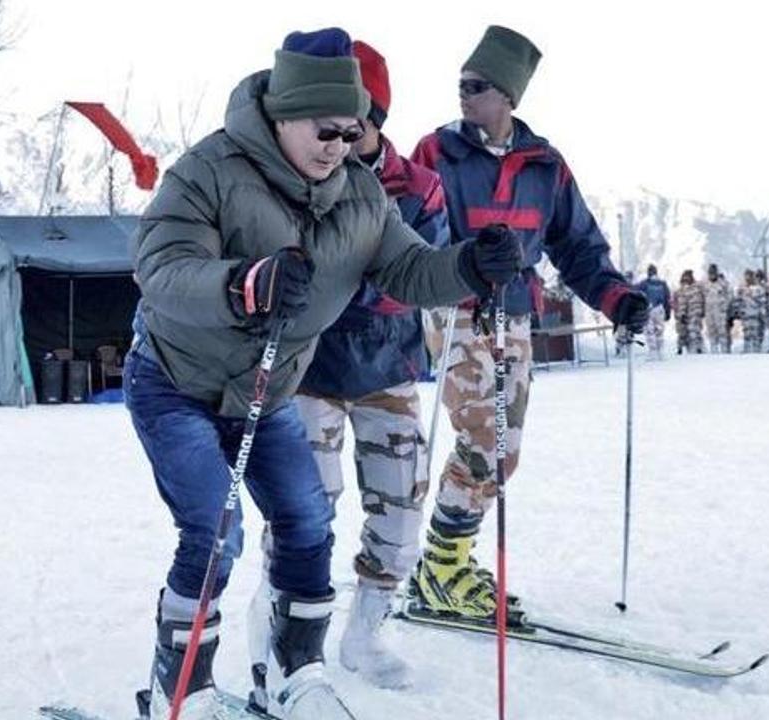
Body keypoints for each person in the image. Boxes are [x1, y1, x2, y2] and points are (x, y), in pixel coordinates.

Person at [125, 28, 520, 720]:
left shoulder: (361, 196)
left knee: (307, 523)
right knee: (216, 530)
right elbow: (162, 270)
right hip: (176, 382)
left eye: (352, 131)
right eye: (325, 129)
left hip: (266, 393)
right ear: (283, 113)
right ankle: (178, 689)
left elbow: (408, 267)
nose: (340, 144)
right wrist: (246, 285)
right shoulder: (208, 171)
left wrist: (468, 266)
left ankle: (293, 671)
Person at [409, 25, 648, 620]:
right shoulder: (436, 154)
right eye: (460, 84)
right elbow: (410, 228)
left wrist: (617, 298)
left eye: (477, 85)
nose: (463, 95)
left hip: (516, 315)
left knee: (504, 451)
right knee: (483, 439)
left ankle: (447, 561)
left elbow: (578, 248)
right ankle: (440, 571)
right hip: (458, 309)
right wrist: (457, 264)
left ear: (509, 96)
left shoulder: (545, 165)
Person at [245, 38, 446, 691]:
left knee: (400, 503)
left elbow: (422, 270)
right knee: (309, 504)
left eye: (352, 124)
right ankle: (279, 620)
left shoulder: (419, 189)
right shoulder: (292, 176)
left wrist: (351, 286)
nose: (336, 137)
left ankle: (366, 631)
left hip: (387, 368)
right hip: (309, 369)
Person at [635, 264, 671, 359]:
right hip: (659, 309)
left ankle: (653, 352)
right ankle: (660, 351)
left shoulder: (644, 283)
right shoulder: (662, 283)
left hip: (649, 309)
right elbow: (667, 298)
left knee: (649, 331)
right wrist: (668, 311)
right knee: (659, 330)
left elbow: (635, 292)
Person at [701, 263, 733, 352]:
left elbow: (730, 296)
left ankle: (724, 350)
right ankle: (713, 350)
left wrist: (725, 305)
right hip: (709, 311)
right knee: (711, 331)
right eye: (710, 273)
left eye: (713, 273)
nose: (711, 275)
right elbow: (702, 296)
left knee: (722, 332)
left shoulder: (723, 283)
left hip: (720, 312)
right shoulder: (705, 284)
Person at [673, 269, 705, 354]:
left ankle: (698, 349)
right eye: (685, 278)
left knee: (694, 331)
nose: (686, 279)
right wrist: (680, 314)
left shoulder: (698, 287)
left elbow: (705, 297)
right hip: (683, 315)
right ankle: (681, 349)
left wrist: (703, 310)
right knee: (682, 333)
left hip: (696, 312)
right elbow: (678, 303)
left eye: (688, 277)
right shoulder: (680, 291)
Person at [738, 269, 767, 353]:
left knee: (755, 335)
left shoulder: (758, 289)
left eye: (749, 276)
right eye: (746, 276)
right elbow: (738, 301)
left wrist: (762, 314)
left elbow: (762, 302)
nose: (747, 278)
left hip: (755, 315)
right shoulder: (742, 288)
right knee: (746, 334)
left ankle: (756, 351)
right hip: (746, 316)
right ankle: (746, 350)